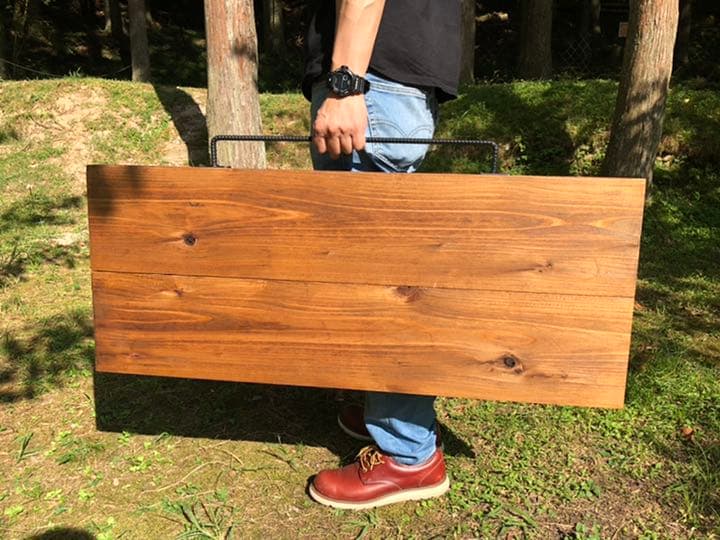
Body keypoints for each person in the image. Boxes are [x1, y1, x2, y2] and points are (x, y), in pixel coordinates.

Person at [302, 0, 462, 509]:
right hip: (389, 79)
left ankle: (408, 455)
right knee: (369, 273)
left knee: (380, 281)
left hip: (370, 82)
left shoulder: (353, 85)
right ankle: (385, 410)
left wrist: (345, 83)